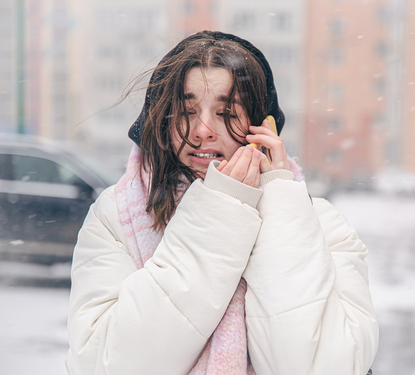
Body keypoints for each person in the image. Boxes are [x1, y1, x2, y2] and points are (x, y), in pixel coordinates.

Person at [65, 31, 378, 375]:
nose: (202, 130)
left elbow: (318, 367)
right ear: (161, 122)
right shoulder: (115, 217)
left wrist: (279, 202)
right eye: (186, 110)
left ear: (263, 126)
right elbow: (107, 364)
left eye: (226, 111)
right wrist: (219, 212)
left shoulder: (321, 225)